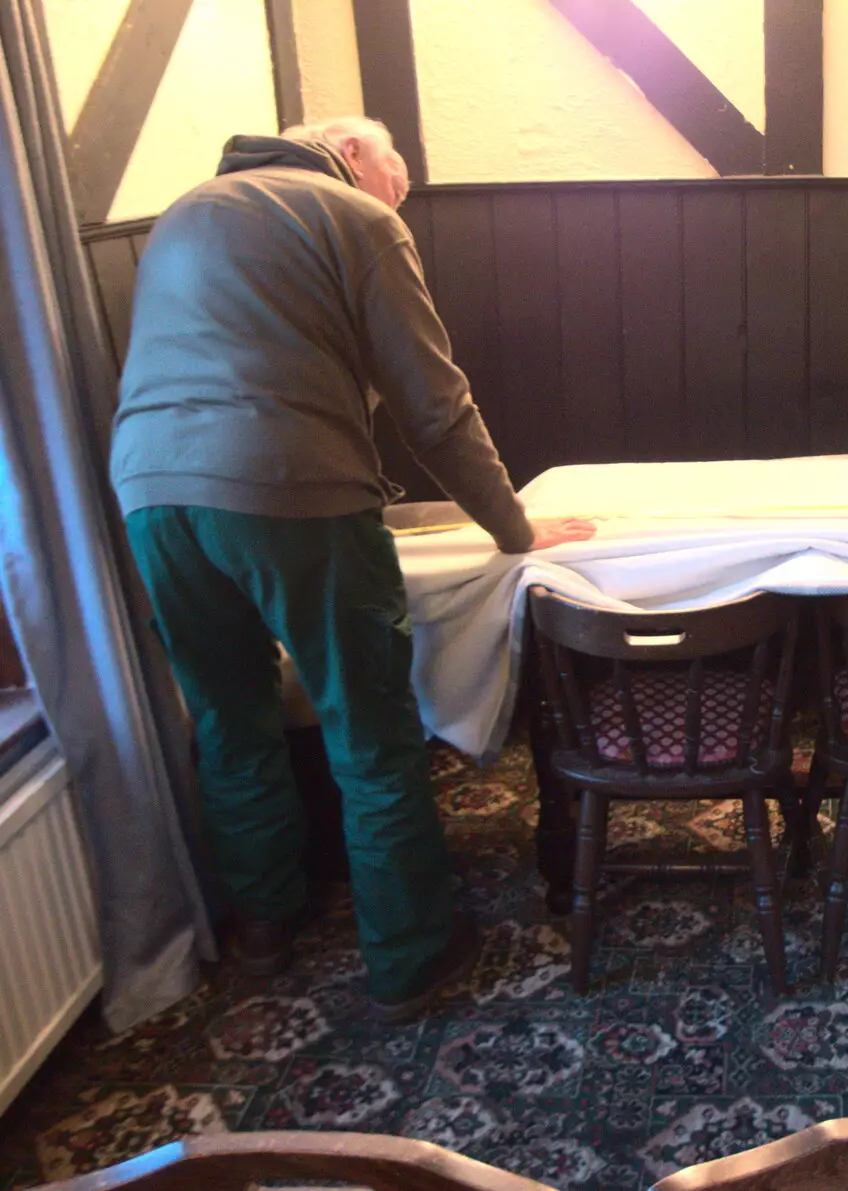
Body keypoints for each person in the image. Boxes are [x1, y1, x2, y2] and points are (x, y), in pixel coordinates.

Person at [109, 116, 594, 1021]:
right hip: (292, 485)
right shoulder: (354, 215)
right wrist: (515, 530)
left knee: (227, 719)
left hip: (147, 492)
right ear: (352, 151)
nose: (396, 202)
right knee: (369, 729)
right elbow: (435, 405)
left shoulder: (182, 213)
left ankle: (264, 926)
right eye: (398, 183)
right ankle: (410, 957)